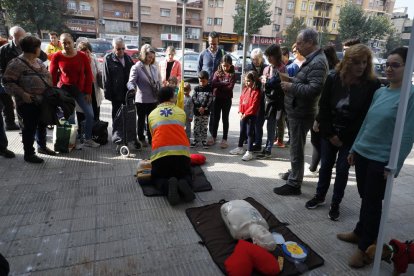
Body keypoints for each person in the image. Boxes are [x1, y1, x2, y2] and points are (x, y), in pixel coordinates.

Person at [337, 47, 414, 268]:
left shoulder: (411, 95)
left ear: (408, 68)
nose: (388, 68)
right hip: (363, 153)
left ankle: (366, 248)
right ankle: (360, 231)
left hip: (382, 160)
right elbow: (367, 122)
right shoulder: (381, 92)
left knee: (373, 203)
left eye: (395, 65)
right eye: (387, 64)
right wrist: (354, 148)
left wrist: (396, 164)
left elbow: (408, 134)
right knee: (365, 197)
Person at [305, 44, 381, 221]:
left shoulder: (371, 84)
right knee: (325, 167)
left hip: (351, 136)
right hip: (329, 131)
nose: (361, 66)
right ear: (347, 62)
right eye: (356, 62)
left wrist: (343, 138)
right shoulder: (333, 78)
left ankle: (336, 203)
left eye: (364, 62)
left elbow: (364, 116)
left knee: (342, 169)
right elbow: (323, 107)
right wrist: (331, 134)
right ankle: (320, 196)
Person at [274, 28, 328, 196]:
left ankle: (294, 183)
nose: (296, 46)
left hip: (302, 111)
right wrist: (292, 81)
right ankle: (294, 173)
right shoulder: (312, 59)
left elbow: (314, 89)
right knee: (295, 146)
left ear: (310, 43)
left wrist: (291, 85)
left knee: (296, 147)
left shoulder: (318, 62)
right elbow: (307, 82)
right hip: (297, 109)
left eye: (299, 42)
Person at [2, 36, 54, 163]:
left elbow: (47, 76)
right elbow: (7, 82)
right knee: (29, 128)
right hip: (27, 103)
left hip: (42, 101)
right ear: (34, 49)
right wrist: (23, 94)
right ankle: (29, 154)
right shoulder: (16, 63)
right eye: (38, 47)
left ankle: (42, 147)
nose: (40, 50)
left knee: (42, 124)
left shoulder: (39, 62)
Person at [49, 33, 99, 148]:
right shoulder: (57, 56)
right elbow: (52, 75)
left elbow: (88, 75)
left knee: (90, 114)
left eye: (68, 42)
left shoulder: (82, 56)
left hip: (80, 90)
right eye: (63, 43)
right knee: (70, 117)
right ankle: (72, 141)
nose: (66, 45)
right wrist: (53, 91)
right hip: (65, 90)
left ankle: (87, 138)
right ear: (60, 43)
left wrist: (88, 92)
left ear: (73, 42)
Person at [148, 86, 194, 206]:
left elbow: (153, 135)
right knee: (186, 174)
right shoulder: (181, 112)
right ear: (171, 98)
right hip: (181, 156)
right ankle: (183, 182)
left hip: (160, 157)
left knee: (157, 178)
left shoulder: (152, 114)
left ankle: (168, 186)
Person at [127, 44, 161, 147]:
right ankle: (141, 138)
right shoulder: (136, 67)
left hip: (153, 99)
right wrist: (132, 88)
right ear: (143, 55)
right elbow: (130, 82)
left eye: (152, 57)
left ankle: (151, 139)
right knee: (141, 120)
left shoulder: (154, 67)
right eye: (149, 57)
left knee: (151, 120)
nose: (150, 59)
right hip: (141, 99)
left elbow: (158, 81)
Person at [256, 44, 285, 159]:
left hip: (274, 102)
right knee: (259, 123)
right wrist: (265, 81)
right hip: (264, 99)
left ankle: (268, 149)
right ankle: (259, 144)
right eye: (267, 56)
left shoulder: (282, 68)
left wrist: (267, 81)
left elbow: (278, 84)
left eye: (270, 56)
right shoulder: (266, 68)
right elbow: (265, 83)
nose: (268, 59)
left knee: (271, 125)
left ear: (276, 56)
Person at [229, 71, 260, 161]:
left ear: (254, 81)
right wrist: (240, 112)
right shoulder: (245, 89)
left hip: (251, 116)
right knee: (242, 131)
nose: (247, 83)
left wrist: (246, 113)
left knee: (249, 133)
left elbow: (254, 106)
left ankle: (249, 151)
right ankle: (240, 147)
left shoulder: (256, 92)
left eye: (249, 81)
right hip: (243, 115)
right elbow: (241, 101)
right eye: (246, 81)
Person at [0, 26, 26, 130]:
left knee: (21, 105)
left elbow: (42, 57)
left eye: (22, 37)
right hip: (10, 81)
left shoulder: (27, 45)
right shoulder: (4, 50)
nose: (20, 39)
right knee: (9, 104)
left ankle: (23, 126)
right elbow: (1, 68)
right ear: (12, 36)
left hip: (25, 81)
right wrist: (4, 81)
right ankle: (13, 125)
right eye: (18, 37)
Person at [103, 37, 135, 123]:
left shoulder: (128, 58)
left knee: (128, 115)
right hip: (115, 93)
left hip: (127, 93)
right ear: (113, 48)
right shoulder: (108, 59)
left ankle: (127, 134)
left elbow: (133, 75)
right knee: (117, 115)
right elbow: (106, 77)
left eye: (123, 48)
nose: (121, 50)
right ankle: (117, 134)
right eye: (118, 49)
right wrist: (107, 94)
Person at [208, 54, 236, 149]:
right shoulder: (217, 73)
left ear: (231, 65)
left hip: (227, 100)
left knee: (225, 119)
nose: (225, 67)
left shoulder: (232, 74)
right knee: (215, 118)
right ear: (221, 64)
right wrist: (224, 83)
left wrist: (219, 85)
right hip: (217, 99)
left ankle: (224, 139)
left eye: (227, 65)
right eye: (224, 65)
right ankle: (213, 136)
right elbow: (213, 83)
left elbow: (230, 87)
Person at [76, 41, 103, 124]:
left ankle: (96, 131)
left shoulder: (94, 59)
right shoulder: (76, 60)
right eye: (83, 52)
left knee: (95, 111)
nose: (86, 54)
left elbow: (100, 71)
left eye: (87, 52)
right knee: (82, 112)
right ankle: (82, 132)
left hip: (94, 89)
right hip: (81, 90)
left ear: (90, 52)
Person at [245, 48, 267, 153]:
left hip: (262, 99)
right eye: (253, 59)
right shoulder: (249, 67)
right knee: (250, 121)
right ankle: (250, 140)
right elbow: (246, 83)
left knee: (259, 123)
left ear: (261, 58)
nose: (255, 61)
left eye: (257, 59)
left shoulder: (266, 68)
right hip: (251, 98)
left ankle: (258, 144)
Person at [191, 70, 213, 149]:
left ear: (207, 80)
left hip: (205, 112)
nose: (202, 83)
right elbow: (193, 98)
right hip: (197, 112)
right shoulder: (196, 88)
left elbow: (210, 99)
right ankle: (196, 140)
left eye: (204, 81)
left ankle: (204, 140)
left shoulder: (209, 89)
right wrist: (198, 107)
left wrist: (203, 107)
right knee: (196, 126)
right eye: (200, 81)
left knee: (204, 126)